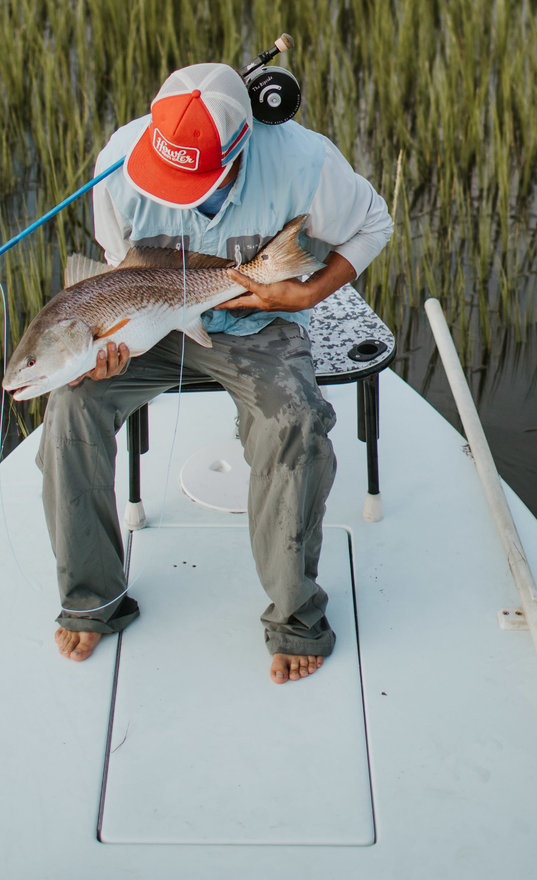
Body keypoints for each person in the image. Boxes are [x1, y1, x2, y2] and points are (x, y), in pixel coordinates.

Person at [38, 61, 392, 684]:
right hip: (145, 324)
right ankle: (93, 599)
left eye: (190, 180)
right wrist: (107, 347)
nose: (171, 190)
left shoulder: (305, 162)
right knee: (69, 408)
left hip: (257, 327)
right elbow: (114, 263)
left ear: (238, 152)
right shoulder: (119, 160)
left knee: (297, 421)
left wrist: (307, 295)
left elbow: (372, 226)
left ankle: (294, 616)